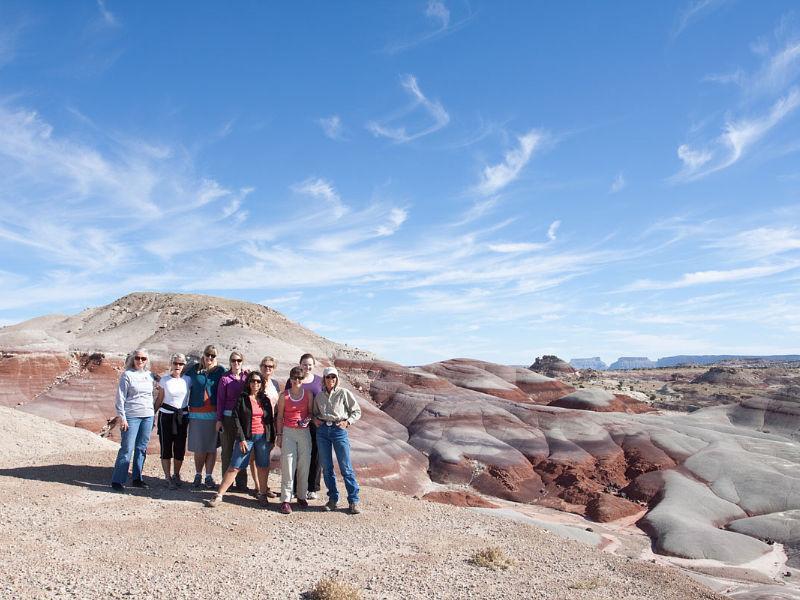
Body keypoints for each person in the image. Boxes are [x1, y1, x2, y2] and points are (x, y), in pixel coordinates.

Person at [204, 371, 276, 508]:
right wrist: (241, 439)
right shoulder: (242, 399)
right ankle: (219, 494)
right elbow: (236, 419)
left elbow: (269, 421)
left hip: (262, 438)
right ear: (248, 383)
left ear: (262, 384)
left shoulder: (265, 400)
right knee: (235, 466)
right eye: (253, 381)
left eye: (258, 381)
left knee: (263, 466)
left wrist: (271, 439)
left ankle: (262, 494)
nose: (255, 384)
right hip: (247, 438)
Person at [312, 367, 362, 514]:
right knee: (327, 468)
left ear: (337, 379)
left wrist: (348, 422)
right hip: (322, 432)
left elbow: (356, 411)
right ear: (324, 379)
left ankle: (354, 500)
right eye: (328, 377)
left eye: (333, 377)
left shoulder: (344, 393)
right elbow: (314, 413)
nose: (331, 380)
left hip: (339, 430)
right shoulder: (319, 396)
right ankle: (333, 499)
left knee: (346, 467)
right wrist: (315, 420)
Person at [111, 348, 157, 493]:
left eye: (143, 359)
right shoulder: (127, 375)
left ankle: (137, 478)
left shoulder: (150, 376)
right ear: (133, 359)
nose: (140, 361)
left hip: (147, 416)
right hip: (131, 416)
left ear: (147, 360)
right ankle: (118, 480)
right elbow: (120, 398)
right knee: (127, 448)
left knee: (141, 448)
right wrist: (122, 418)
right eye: (138, 358)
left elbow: (159, 390)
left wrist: (153, 414)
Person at [185, 344, 225, 489]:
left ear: (216, 357)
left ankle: (208, 476)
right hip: (196, 414)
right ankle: (197, 474)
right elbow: (180, 378)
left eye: (213, 355)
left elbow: (231, 379)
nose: (209, 357)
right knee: (200, 447)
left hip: (214, 415)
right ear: (203, 355)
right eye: (207, 354)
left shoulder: (220, 371)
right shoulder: (194, 370)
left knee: (211, 447)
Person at [276, 366, 313, 514]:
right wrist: (279, 435)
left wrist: (307, 420)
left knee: (304, 463)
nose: (297, 380)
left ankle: (301, 496)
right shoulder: (284, 396)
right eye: (294, 378)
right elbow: (279, 416)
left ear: (303, 379)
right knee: (288, 465)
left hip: (304, 432)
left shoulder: (308, 394)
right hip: (288, 432)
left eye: (300, 378)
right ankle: (285, 499)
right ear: (290, 379)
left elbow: (310, 412)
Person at [285, 352, 323, 500]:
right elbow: (288, 397)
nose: (307, 367)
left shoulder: (319, 381)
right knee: (297, 455)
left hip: (315, 423)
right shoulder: (294, 379)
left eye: (309, 364)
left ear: (313, 366)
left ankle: (312, 487)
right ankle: (295, 488)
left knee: (315, 455)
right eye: (304, 364)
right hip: (296, 423)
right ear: (300, 364)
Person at [154, 353, 190, 489]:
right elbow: (160, 399)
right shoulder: (164, 380)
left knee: (180, 447)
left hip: (182, 416)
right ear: (171, 364)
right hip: (166, 416)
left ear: (184, 366)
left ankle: (176, 474)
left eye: (181, 364)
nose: (178, 366)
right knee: (166, 446)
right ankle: (167, 477)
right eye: (175, 363)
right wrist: (152, 414)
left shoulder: (188, 380)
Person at [216, 351, 249, 492]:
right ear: (230, 362)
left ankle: (242, 484)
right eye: (234, 360)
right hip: (228, 418)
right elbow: (220, 400)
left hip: (243, 419)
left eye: (239, 360)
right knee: (227, 451)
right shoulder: (225, 379)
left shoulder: (246, 377)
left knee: (242, 450)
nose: (236, 363)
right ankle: (227, 484)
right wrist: (219, 419)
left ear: (242, 361)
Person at [256, 356, 281, 500]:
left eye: (270, 366)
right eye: (265, 365)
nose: (267, 368)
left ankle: (263, 486)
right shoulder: (256, 381)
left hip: (271, 424)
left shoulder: (275, 384)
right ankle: (259, 487)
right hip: (257, 422)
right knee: (256, 456)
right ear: (261, 367)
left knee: (266, 454)